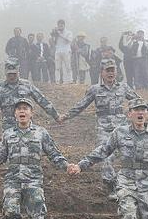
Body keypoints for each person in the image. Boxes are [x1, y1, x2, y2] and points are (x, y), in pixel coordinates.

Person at [59, 58, 142, 198]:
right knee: (105, 157)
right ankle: (112, 186)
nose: (111, 73)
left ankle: (135, 187)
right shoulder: (95, 89)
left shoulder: (123, 87)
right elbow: (81, 105)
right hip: (104, 129)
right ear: (101, 73)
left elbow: (139, 101)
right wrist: (66, 116)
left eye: (113, 70)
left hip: (122, 128)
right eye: (107, 70)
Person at [0, 60, 60, 130]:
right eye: (9, 74)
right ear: (5, 72)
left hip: (26, 126)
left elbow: (42, 100)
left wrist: (56, 116)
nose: (12, 76)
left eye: (14, 74)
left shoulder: (27, 85)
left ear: (18, 72)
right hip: (8, 128)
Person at [51, 19, 72, 84]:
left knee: (67, 66)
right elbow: (53, 42)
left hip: (66, 51)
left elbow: (68, 40)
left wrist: (59, 34)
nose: (60, 26)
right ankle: (57, 80)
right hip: (58, 51)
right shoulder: (56, 33)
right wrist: (53, 35)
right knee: (57, 67)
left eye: (61, 25)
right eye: (59, 25)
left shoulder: (69, 32)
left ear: (64, 25)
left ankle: (69, 80)